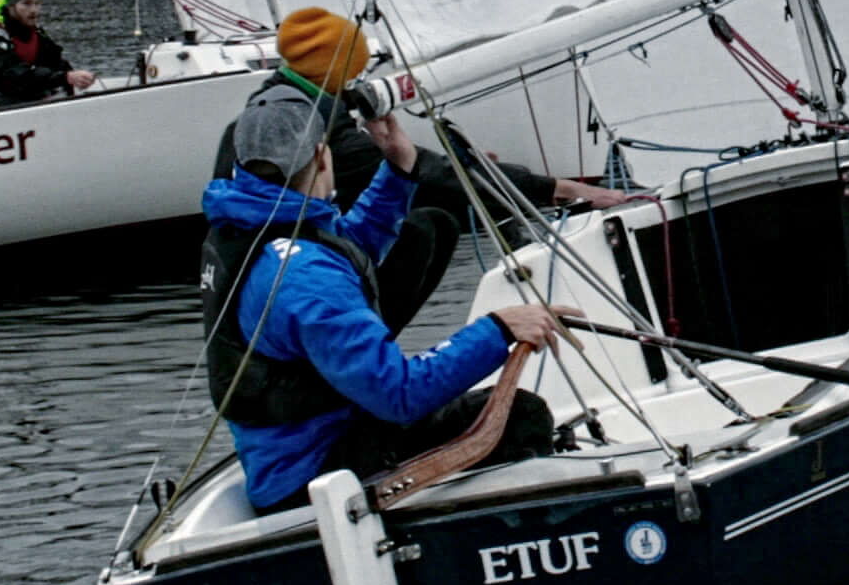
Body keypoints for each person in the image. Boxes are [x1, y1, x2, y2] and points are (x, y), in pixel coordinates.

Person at [202, 70, 583, 512]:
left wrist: (399, 169)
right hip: (316, 473)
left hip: (290, 455)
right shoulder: (306, 280)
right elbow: (400, 395)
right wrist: (498, 329)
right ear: (323, 158)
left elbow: (347, 245)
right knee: (522, 417)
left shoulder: (246, 223)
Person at [213, 8, 644, 328]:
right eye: (352, 76)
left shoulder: (260, 116)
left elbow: (414, 173)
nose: (358, 88)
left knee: (431, 218)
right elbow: (432, 175)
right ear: (336, 72)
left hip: (255, 291)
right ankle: (369, 347)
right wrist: (557, 188)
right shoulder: (319, 131)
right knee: (433, 218)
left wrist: (432, 167)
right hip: (293, 300)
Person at [0, 0, 97, 110]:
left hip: (20, 91)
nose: (34, 10)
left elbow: (55, 62)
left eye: (37, 4)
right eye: (27, 4)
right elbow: (16, 73)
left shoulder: (34, 32)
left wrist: (75, 78)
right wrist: (65, 77)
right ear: (11, 6)